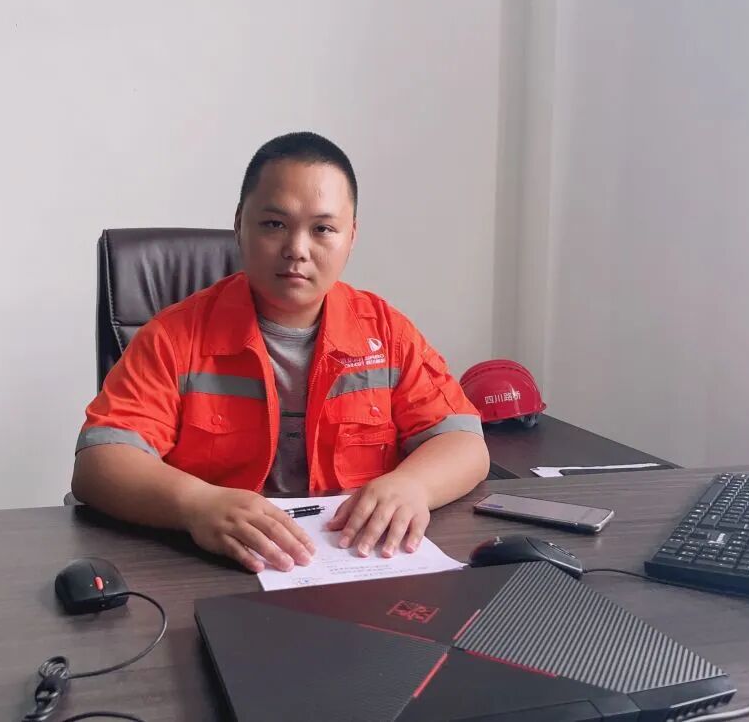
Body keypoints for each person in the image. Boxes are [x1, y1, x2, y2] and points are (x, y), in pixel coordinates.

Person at [72, 132, 490, 574]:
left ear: (351, 236)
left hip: (354, 563)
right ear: (239, 225)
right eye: (274, 224)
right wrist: (195, 503)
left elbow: (463, 442)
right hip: (218, 567)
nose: (297, 250)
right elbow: (100, 462)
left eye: (323, 229)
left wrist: (412, 485)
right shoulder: (174, 337)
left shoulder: (386, 333)